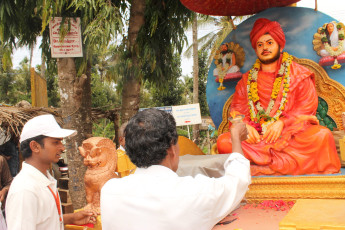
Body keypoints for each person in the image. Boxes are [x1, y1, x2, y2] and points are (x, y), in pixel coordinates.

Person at [217, 18, 341, 176]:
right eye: (260, 45)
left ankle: (261, 168)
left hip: (291, 136)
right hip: (257, 139)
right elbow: (236, 112)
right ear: (255, 49)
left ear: (280, 45)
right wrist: (245, 127)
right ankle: (278, 166)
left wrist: (282, 123)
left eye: (269, 43)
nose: (265, 48)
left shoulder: (298, 74)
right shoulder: (247, 81)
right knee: (224, 142)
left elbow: (306, 109)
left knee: (322, 136)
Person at [101, 108, 250, 230]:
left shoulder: (109, 191)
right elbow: (238, 179)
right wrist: (235, 137)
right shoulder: (197, 192)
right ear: (172, 149)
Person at [6, 114, 97, 230]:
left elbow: (43, 220)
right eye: (56, 142)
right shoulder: (25, 190)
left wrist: (71, 218)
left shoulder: (44, 180)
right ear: (35, 146)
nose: (62, 148)